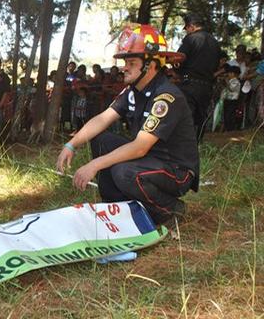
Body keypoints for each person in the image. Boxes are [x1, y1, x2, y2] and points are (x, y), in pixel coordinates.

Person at [57, 24, 198, 225]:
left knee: (124, 172)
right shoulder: (133, 91)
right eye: (125, 62)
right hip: (152, 160)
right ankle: (115, 207)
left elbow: (140, 147)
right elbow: (103, 119)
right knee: (102, 139)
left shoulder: (166, 97)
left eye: (131, 62)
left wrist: (95, 164)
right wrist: (71, 144)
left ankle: (171, 210)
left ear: (150, 65)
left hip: (176, 170)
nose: (124, 67)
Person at [177, 13, 221, 140]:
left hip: (189, 83)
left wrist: (175, 69)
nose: (186, 31)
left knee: (186, 115)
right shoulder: (214, 42)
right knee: (201, 115)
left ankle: (185, 144)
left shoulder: (190, 39)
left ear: (191, 26)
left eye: (186, 28)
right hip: (207, 85)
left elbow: (180, 59)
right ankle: (198, 142)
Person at [221, 65, 241, 131]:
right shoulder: (230, 81)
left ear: (233, 74)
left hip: (232, 101)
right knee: (226, 114)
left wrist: (226, 81)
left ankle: (231, 128)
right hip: (227, 100)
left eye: (229, 73)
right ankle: (227, 128)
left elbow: (231, 89)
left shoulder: (236, 81)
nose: (228, 74)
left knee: (230, 114)